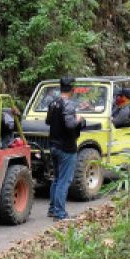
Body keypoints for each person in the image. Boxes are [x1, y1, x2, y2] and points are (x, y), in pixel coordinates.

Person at [46, 77, 86, 221]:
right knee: (64, 180)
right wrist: (80, 120)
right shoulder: (68, 105)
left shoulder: (53, 103)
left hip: (54, 146)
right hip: (66, 148)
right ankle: (60, 213)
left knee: (57, 179)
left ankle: (52, 209)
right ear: (73, 90)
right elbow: (70, 125)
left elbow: (48, 121)